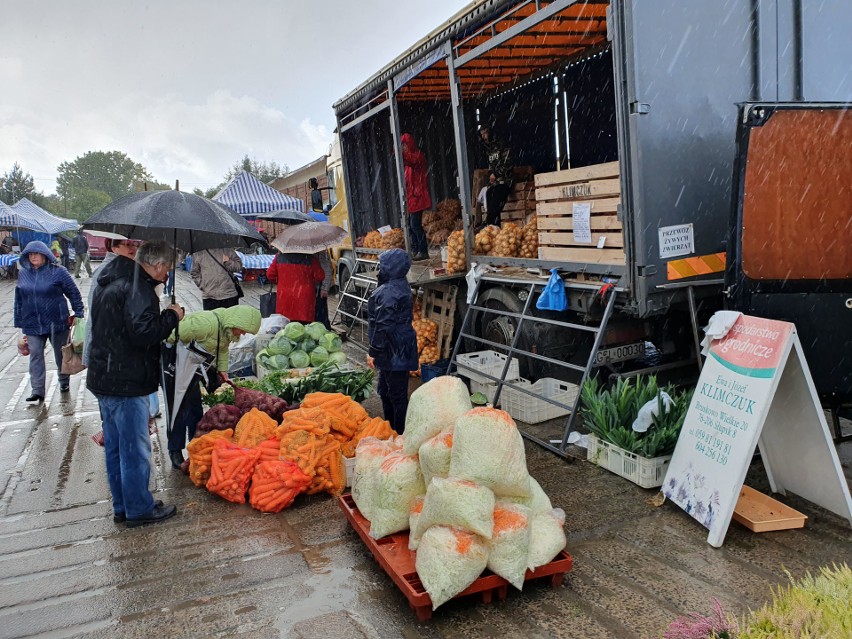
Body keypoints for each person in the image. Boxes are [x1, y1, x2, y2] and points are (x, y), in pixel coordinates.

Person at [87, 239, 184, 527]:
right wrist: (171, 315)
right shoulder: (136, 287)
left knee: (117, 449)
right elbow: (144, 333)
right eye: (167, 269)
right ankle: (140, 509)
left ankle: (123, 505)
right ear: (158, 265)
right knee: (134, 451)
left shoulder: (109, 277)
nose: (167, 275)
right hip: (125, 380)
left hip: (105, 375)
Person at [83, 237, 160, 442]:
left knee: (118, 425)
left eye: (136, 245)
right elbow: (98, 316)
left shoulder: (129, 272)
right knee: (127, 436)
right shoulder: (109, 273)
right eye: (127, 245)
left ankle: (113, 437)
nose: (133, 249)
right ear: (113, 247)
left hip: (111, 358)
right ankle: (111, 436)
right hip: (111, 358)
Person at [166, 306, 261, 469]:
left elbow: (222, 349)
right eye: (243, 330)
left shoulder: (226, 330)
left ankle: (195, 444)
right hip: (175, 367)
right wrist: (179, 355)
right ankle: (175, 450)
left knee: (195, 408)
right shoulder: (206, 324)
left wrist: (223, 370)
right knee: (178, 410)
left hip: (190, 369)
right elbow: (172, 335)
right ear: (235, 322)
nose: (243, 334)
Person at [13, 241, 84, 401]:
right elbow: (19, 299)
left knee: (61, 355)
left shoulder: (59, 272)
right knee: (36, 355)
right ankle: (37, 390)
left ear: (44, 255)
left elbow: (73, 293)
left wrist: (78, 312)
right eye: (30, 254)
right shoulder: (24, 273)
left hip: (56, 321)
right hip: (32, 323)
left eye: (36, 254)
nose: (33, 257)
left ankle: (64, 381)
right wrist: (19, 322)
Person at [366, 249, 418, 433]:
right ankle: (391, 427)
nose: (379, 267)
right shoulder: (396, 284)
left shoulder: (389, 292)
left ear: (391, 267)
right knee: (386, 390)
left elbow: (383, 325)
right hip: (396, 347)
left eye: (383, 264)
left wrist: (373, 351)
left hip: (394, 348)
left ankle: (399, 432)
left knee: (396, 394)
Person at [266, 250, 324, 323]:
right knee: (305, 328)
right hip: (304, 300)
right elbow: (320, 276)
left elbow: (270, 275)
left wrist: (281, 282)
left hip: (284, 298)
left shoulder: (279, 257)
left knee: (285, 328)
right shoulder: (310, 259)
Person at [401, 133, 432, 261]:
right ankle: (415, 249)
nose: (403, 148)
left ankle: (423, 250)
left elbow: (411, 160)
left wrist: (399, 153)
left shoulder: (418, 156)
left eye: (404, 145)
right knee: (410, 226)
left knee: (415, 225)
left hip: (418, 198)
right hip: (412, 199)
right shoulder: (408, 165)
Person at [479, 124, 513, 227]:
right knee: (489, 195)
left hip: (504, 181)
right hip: (494, 183)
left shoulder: (501, 145)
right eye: (482, 134)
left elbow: (507, 163)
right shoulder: (489, 150)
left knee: (495, 207)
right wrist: (491, 173)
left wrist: (496, 173)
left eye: (485, 133)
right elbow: (490, 166)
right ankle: (493, 227)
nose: (484, 136)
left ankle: (490, 225)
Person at [315, 250, 333, 330]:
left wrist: (325, 288)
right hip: (309, 289)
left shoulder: (321, 250)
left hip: (319, 289)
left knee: (321, 318)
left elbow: (327, 268)